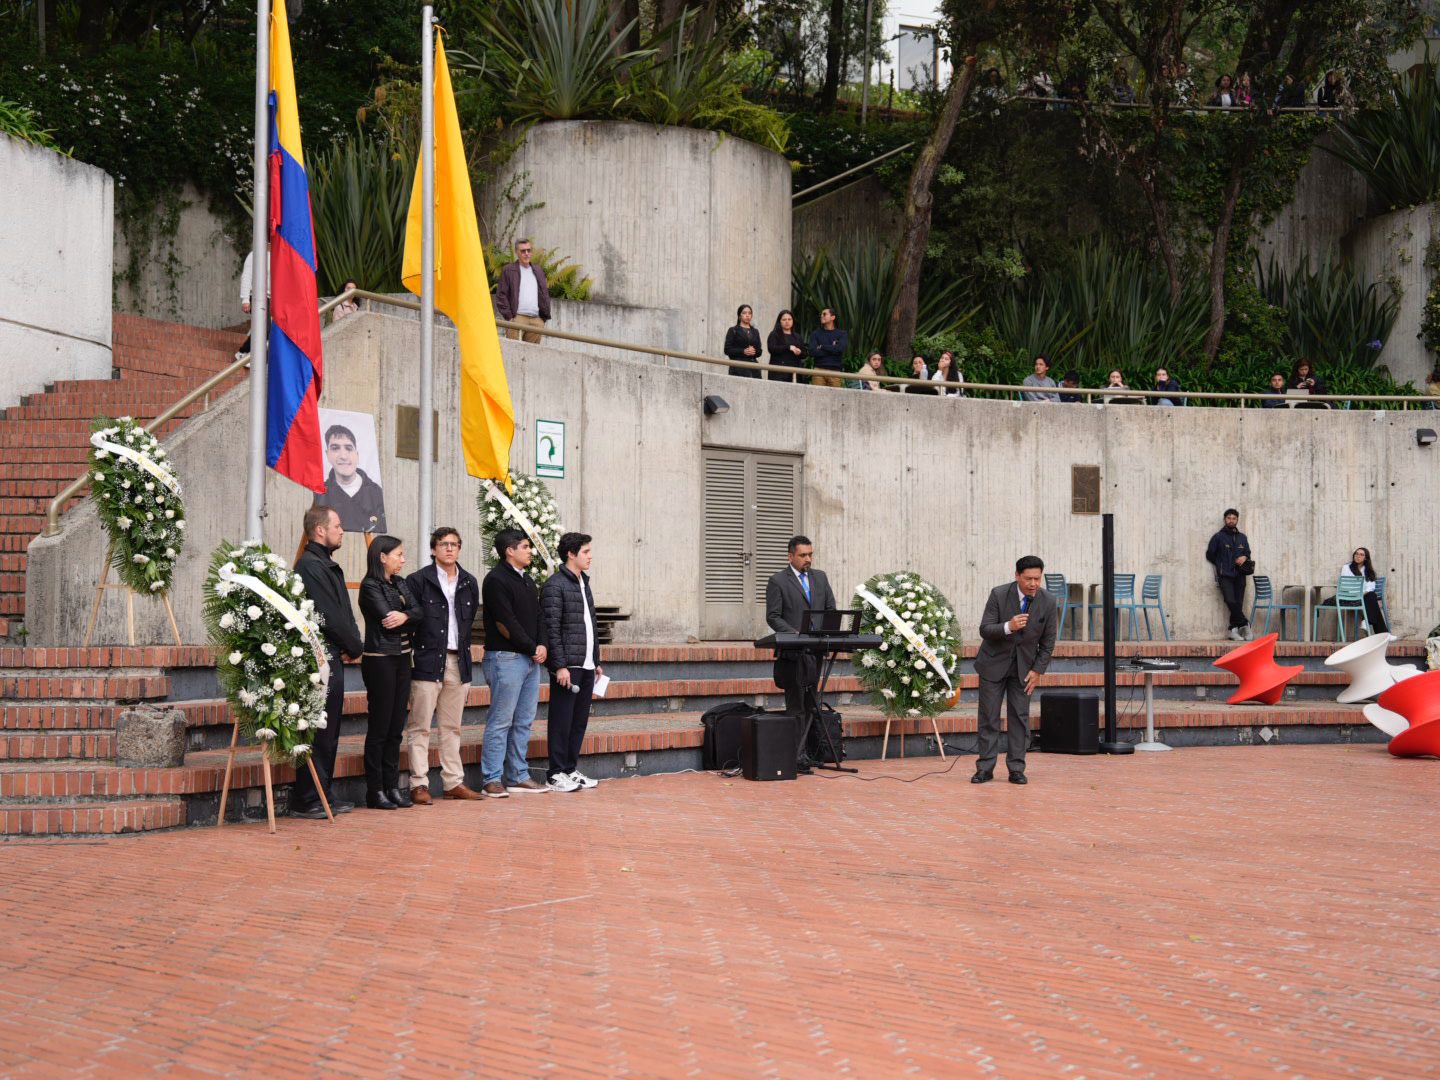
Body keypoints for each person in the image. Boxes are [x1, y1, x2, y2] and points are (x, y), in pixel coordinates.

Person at [291, 506, 362, 818]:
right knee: (319, 729)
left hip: (333, 654)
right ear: (320, 530)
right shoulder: (310, 565)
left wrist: (353, 643)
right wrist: (354, 644)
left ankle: (323, 793)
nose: (342, 530)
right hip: (319, 657)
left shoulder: (325, 563)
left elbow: (344, 611)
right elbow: (328, 614)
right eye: (338, 525)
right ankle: (308, 798)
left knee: (329, 729)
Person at [403, 527, 483, 804]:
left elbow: (468, 621)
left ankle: (453, 782)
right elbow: (411, 618)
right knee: (420, 725)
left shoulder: (469, 582)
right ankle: (419, 784)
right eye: (443, 544)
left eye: (454, 544)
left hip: (458, 661)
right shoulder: (417, 580)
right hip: (427, 659)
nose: (449, 549)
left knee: (452, 727)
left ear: (460, 548)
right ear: (433, 549)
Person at [973, 555, 1057, 786]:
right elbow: (985, 629)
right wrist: (1008, 626)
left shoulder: (1048, 601)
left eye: (1037, 579)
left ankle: (1017, 769)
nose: (1033, 584)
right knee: (989, 717)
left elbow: (1049, 641)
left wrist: (1038, 670)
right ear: (1017, 576)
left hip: (1025, 668)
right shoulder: (999, 594)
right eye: (1028, 578)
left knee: (1019, 718)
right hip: (993, 665)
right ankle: (985, 768)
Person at [480, 528, 550, 798]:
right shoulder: (496, 580)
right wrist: (532, 647)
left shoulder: (527, 580)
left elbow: (539, 616)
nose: (530, 551)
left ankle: (518, 774)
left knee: (523, 720)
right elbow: (504, 622)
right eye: (525, 546)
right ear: (509, 550)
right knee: (501, 720)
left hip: (530, 659)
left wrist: (542, 645)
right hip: (506, 658)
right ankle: (491, 778)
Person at [358, 535, 421, 810]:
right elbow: (387, 621)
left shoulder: (401, 583)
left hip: (403, 658)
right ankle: (375, 790)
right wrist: (406, 617)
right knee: (380, 727)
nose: (403, 559)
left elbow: (421, 613)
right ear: (382, 556)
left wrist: (406, 616)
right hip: (380, 659)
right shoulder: (369, 586)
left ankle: (392, 786)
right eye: (398, 554)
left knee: (396, 727)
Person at [541, 533, 605, 792]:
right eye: (586, 551)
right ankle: (555, 773)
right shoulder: (555, 585)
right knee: (561, 720)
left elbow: (590, 625)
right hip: (568, 666)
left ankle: (569, 768)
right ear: (571, 554)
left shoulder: (583, 582)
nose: (590, 556)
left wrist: (595, 660)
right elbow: (552, 628)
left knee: (578, 721)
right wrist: (559, 666)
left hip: (586, 663)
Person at [764, 535, 837, 739]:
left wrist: (827, 634)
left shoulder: (820, 577)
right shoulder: (777, 581)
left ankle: (812, 750)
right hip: (793, 653)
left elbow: (830, 610)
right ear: (790, 556)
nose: (808, 559)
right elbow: (773, 616)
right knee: (796, 705)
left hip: (816, 650)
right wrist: (793, 634)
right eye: (803, 555)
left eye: (810, 554)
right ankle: (797, 755)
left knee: (812, 702)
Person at [314, 424, 386, 534]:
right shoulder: (319, 494)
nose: (343, 456)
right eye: (335, 448)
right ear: (327, 455)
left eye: (349, 448)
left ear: (357, 455)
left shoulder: (377, 494)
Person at [1205, 508, 1253, 641]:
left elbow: (1248, 552)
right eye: (1229, 518)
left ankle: (1233, 630)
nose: (1231, 520)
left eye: (1234, 518)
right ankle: (1244, 623)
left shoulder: (1242, 537)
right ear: (1224, 520)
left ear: (1237, 520)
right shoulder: (1218, 537)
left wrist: (1244, 557)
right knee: (1230, 600)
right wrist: (1221, 564)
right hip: (1225, 575)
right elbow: (1210, 554)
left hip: (1240, 575)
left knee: (1238, 602)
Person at [494, 238, 550, 343]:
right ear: (516, 252)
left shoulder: (538, 271)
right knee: (513, 353)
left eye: (529, 250)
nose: (526, 253)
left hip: (536, 320)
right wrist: (510, 318)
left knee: (532, 354)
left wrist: (543, 319)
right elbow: (501, 295)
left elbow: (544, 294)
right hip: (517, 318)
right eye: (523, 251)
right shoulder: (509, 270)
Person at [1341, 547, 1388, 634]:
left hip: (1364, 597)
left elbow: (1370, 587)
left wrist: (1362, 594)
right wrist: (1358, 594)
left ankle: (1367, 622)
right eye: (1356, 554)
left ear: (1366, 558)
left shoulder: (1368, 571)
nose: (1358, 556)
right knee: (1373, 601)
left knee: (1371, 596)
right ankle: (1382, 632)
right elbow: (1345, 585)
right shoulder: (1346, 568)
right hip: (1350, 597)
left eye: (1361, 555)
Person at [807, 308, 849, 388]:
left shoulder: (842, 334)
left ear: (833, 317)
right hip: (819, 370)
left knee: (834, 398)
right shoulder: (815, 334)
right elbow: (812, 352)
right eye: (821, 314)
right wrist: (832, 348)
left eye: (824, 314)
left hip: (835, 371)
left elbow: (839, 349)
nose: (821, 316)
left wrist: (822, 346)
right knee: (817, 396)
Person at [766, 310, 807, 385]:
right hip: (778, 372)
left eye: (789, 319)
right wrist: (787, 347)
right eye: (784, 319)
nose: (787, 322)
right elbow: (771, 349)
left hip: (794, 372)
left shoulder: (797, 336)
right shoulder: (774, 334)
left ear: (793, 321)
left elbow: (804, 354)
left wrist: (800, 352)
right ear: (780, 321)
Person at [724, 304, 762, 378]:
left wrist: (754, 351)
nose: (747, 315)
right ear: (739, 316)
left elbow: (759, 351)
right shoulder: (733, 330)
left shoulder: (755, 331)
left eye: (749, 313)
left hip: (754, 368)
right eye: (744, 313)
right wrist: (743, 351)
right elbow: (727, 350)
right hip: (738, 368)